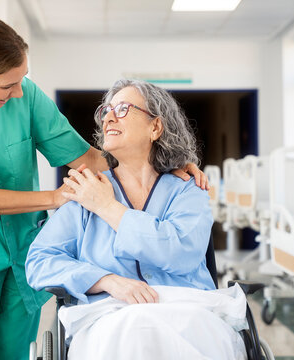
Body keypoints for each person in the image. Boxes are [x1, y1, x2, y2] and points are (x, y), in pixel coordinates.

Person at [0, 17, 207, 360]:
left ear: (155, 126)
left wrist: (168, 160)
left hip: (21, 252)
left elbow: (86, 157)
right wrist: (60, 200)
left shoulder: (181, 192)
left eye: (123, 110)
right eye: (8, 86)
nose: (19, 92)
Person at [25, 79, 247, 359]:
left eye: (123, 108)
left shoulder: (188, 189)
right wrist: (104, 280)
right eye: (106, 110)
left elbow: (180, 252)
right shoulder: (85, 191)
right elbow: (39, 261)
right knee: (134, 327)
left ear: (155, 127)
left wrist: (107, 207)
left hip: (188, 310)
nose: (108, 117)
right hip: (109, 315)